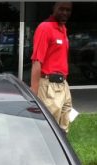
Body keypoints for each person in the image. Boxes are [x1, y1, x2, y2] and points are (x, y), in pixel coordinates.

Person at [30, 2, 73, 132]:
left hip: (63, 85)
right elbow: (37, 61)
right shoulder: (45, 28)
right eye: (61, 9)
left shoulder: (63, 29)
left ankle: (60, 151)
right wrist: (34, 92)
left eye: (68, 10)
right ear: (53, 8)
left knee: (64, 124)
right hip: (48, 86)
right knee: (48, 128)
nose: (65, 13)